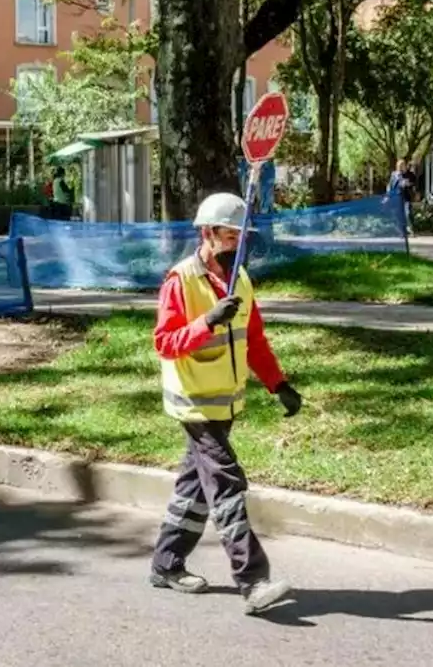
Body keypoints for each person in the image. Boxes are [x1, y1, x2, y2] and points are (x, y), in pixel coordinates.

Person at [147, 192, 303, 616]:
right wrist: (207, 320)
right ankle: (253, 581)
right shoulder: (181, 281)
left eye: (240, 234)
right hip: (195, 405)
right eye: (228, 233)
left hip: (226, 404)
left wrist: (278, 384)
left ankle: (166, 562)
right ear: (207, 233)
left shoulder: (242, 281)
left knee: (193, 489)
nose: (235, 241)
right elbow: (165, 342)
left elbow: (253, 341)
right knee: (227, 483)